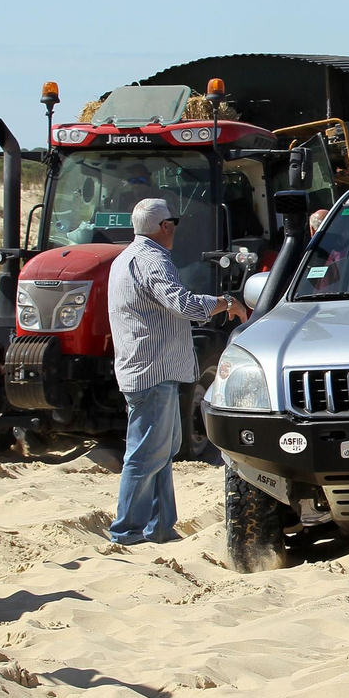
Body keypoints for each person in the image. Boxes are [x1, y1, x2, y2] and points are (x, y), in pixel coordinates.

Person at [107, 198, 248, 545]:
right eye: (173, 223)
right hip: (152, 373)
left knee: (160, 451)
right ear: (164, 227)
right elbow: (181, 303)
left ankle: (160, 526)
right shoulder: (152, 259)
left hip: (145, 369)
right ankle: (127, 531)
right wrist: (225, 303)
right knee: (146, 454)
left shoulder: (125, 258)